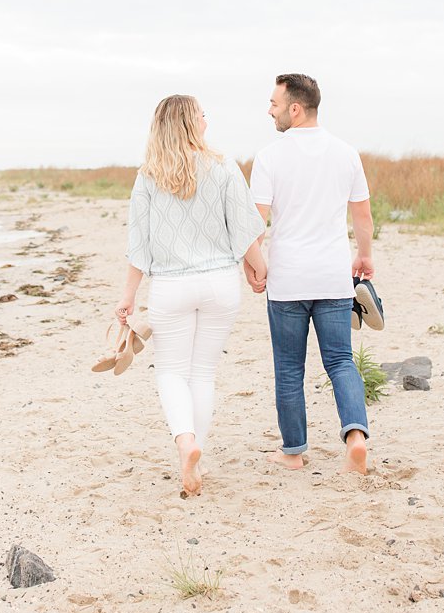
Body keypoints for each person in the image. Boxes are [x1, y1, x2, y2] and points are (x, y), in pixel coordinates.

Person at [116, 94, 268, 497]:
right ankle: (195, 448)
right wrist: (259, 268)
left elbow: (139, 244)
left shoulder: (148, 175)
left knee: (171, 372)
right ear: (188, 122)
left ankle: (186, 443)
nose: (206, 118)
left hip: (171, 286)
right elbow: (243, 229)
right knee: (202, 372)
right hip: (220, 283)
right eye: (201, 113)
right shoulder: (223, 166)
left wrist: (129, 296)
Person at [249, 73, 374, 475]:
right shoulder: (346, 153)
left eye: (274, 103)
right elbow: (363, 216)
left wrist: (253, 265)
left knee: (289, 367)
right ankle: (355, 437)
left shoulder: (270, 157)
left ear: (295, 108)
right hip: (333, 274)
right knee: (340, 361)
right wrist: (364, 257)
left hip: (288, 279)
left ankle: (293, 452)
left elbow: (257, 224)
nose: (270, 110)